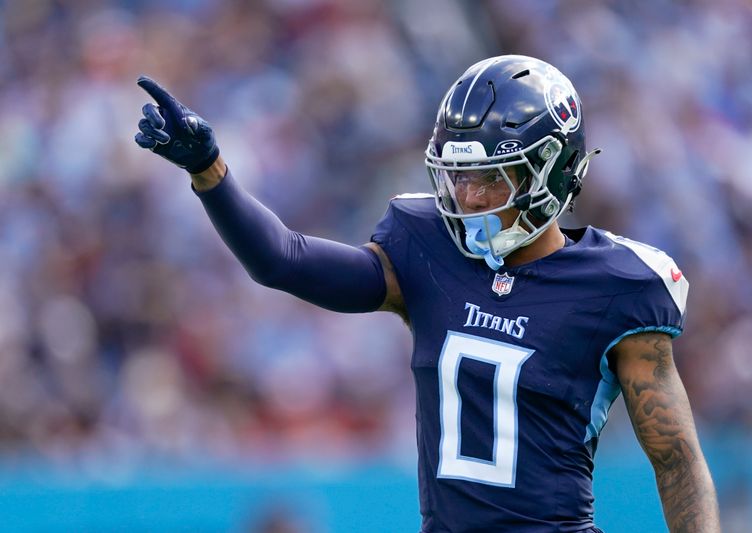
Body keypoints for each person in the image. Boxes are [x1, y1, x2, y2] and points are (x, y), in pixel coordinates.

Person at [135, 55, 721, 533]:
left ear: (554, 169)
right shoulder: (427, 250)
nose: (467, 196)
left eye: (491, 175)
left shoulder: (617, 284)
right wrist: (210, 172)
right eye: (458, 175)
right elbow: (281, 260)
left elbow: (675, 461)